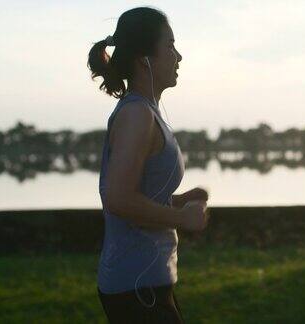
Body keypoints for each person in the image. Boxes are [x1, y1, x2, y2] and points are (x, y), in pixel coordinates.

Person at [87, 6, 210, 323]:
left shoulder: (146, 112)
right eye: (169, 46)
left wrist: (178, 200)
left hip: (147, 283)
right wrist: (181, 217)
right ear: (145, 59)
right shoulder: (136, 115)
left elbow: (140, 195)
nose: (178, 56)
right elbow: (119, 199)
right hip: (136, 288)